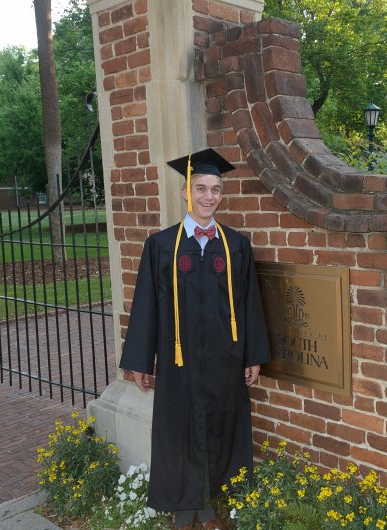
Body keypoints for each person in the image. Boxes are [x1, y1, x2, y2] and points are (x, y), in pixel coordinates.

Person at [119, 148, 271, 530]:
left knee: (222, 424)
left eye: (215, 190)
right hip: (178, 359)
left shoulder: (236, 245)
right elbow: (147, 306)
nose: (208, 197)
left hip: (225, 358)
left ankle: (211, 496)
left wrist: (253, 355)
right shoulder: (161, 245)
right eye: (201, 188)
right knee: (178, 425)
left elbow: (250, 302)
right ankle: (184, 501)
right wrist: (140, 360)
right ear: (186, 192)